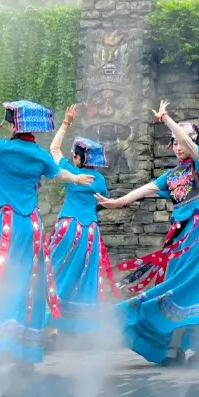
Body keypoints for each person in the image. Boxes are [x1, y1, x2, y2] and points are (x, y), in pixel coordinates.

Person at [95, 101, 199, 366]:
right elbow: (145, 189)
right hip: (180, 236)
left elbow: (190, 146)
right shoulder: (172, 175)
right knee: (176, 286)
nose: (177, 146)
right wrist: (117, 202)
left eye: (181, 141)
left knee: (192, 286)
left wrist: (167, 120)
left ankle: (179, 348)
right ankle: (195, 345)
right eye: (173, 142)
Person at [0, 72, 94, 367]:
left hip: (4, 222)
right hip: (31, 226)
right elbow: (59, 173)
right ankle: (22, 349)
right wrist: (77, 177)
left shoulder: (2, 148)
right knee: (27, 281)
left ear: (15, 125)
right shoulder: (39, 156)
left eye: (10, 119)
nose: (8, 123)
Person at [46, 104, 117, 340]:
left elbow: (54, 148)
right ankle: (77, 327)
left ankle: (49, 320)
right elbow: (101, 200)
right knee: (84, 275)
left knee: (54, 269)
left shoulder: (71, 173)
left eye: (74, 154)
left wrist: (66, 122)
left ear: (78, 158)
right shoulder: (98, 180)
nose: (72, 157)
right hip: (90, 233)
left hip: (69, 227)